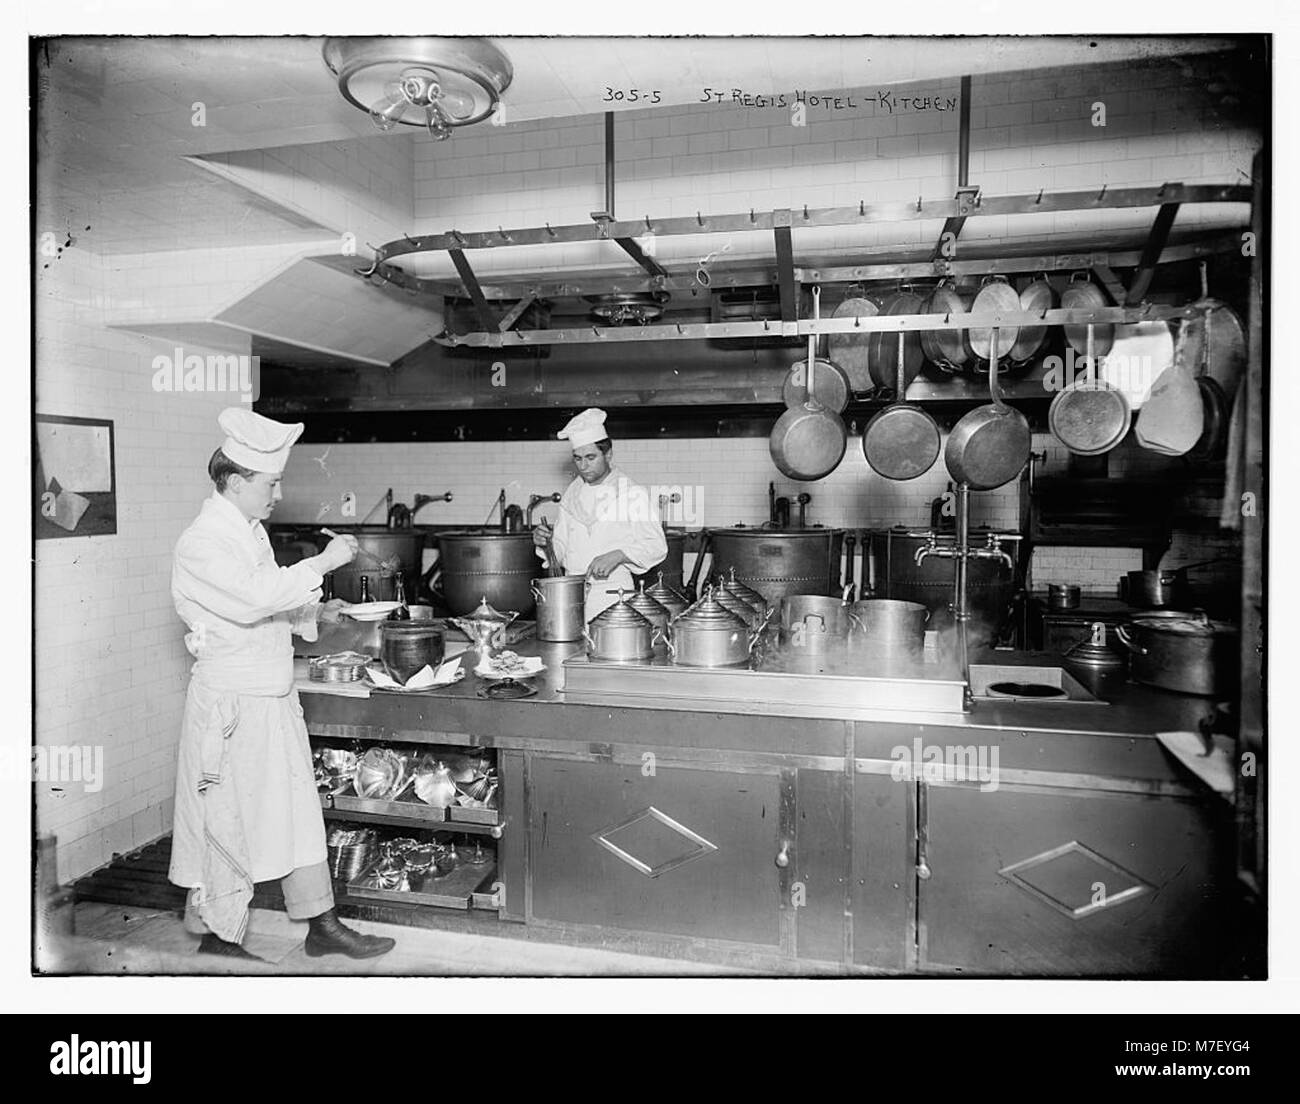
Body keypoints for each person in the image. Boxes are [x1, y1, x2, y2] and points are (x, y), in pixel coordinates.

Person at [169, 407, 396, 962]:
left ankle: (322, 925)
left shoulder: (250, 533)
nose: (277, 493)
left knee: (297, 814)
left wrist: (319, 612)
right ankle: (217, 941)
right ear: (237, 481)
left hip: (271, 700)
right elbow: (251, 597)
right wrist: (323, 563)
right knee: (229, 823)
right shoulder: (201, 543)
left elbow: (270, 600)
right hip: (233, 708)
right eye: (270, 483)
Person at [532, 408, 668, 623]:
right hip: (571, 594)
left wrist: (619, 555)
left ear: (608, 454)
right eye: (577, 459)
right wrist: (546, 544)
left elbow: (656, 546)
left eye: (591, 457)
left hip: (613, 594)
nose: (583, 466)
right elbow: (560, 550)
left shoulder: (630, 493)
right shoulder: (572, 495)